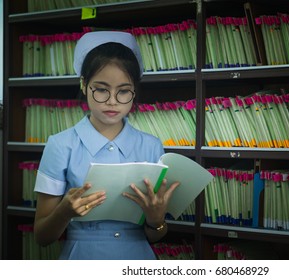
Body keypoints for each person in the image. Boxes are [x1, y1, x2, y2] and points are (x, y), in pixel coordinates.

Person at [33, 31, 180, 260]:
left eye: (123, 91)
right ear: (84, 85)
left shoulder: (152, 146)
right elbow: (42, 237)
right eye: (101, 89)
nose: (112, 100)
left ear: (134, 91)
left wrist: (156, 220)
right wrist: (64, 211)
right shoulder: (60, 145)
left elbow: (155, 236)